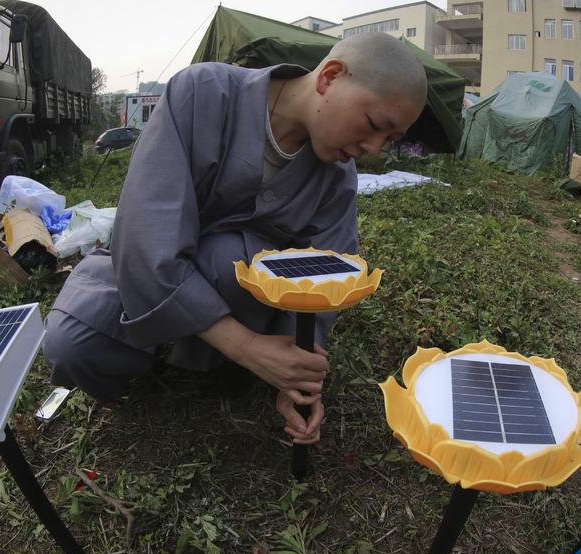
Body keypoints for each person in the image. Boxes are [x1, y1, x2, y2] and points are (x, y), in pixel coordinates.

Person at [42, 33, 427, 446]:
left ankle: (205, 354)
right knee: (71, 344)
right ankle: (193, 353)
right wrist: (247, 350)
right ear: (329, 77)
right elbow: (145, 239)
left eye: (388, 140)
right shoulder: (200, 94)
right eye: (373, 125)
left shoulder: (336, 175)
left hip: (239, 299)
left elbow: (326, 279)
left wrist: (297, 372)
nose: (371, 148)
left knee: (231, 259)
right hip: (154, 288)